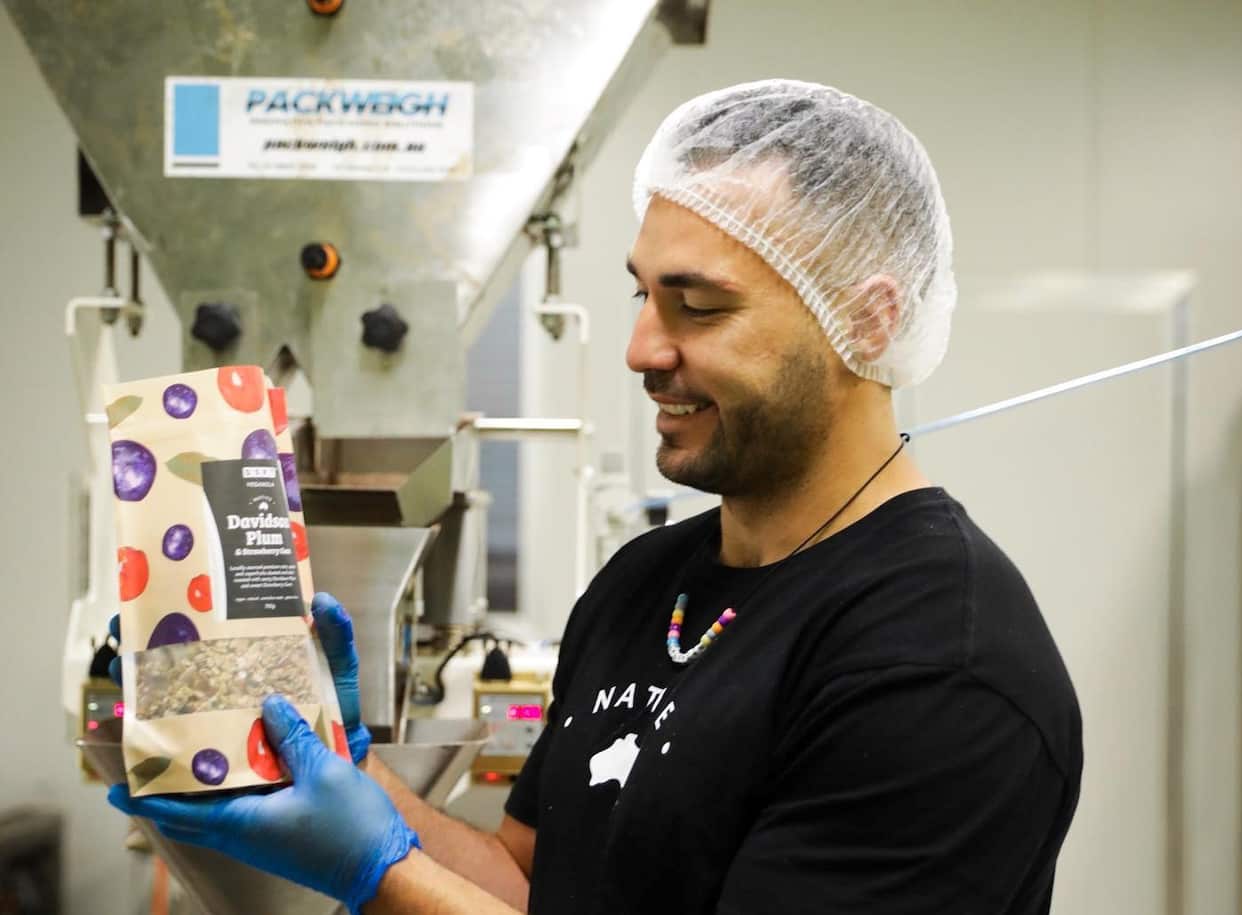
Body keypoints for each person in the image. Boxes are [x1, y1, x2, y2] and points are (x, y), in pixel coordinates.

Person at [109, 79, 1083, 914]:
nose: (642, 351)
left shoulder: (939, 667)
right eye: (641, 294)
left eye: (697, 304)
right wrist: (348, 774)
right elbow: (527, 882)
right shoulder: (643, 584)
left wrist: (377, 872)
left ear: (866, 321)